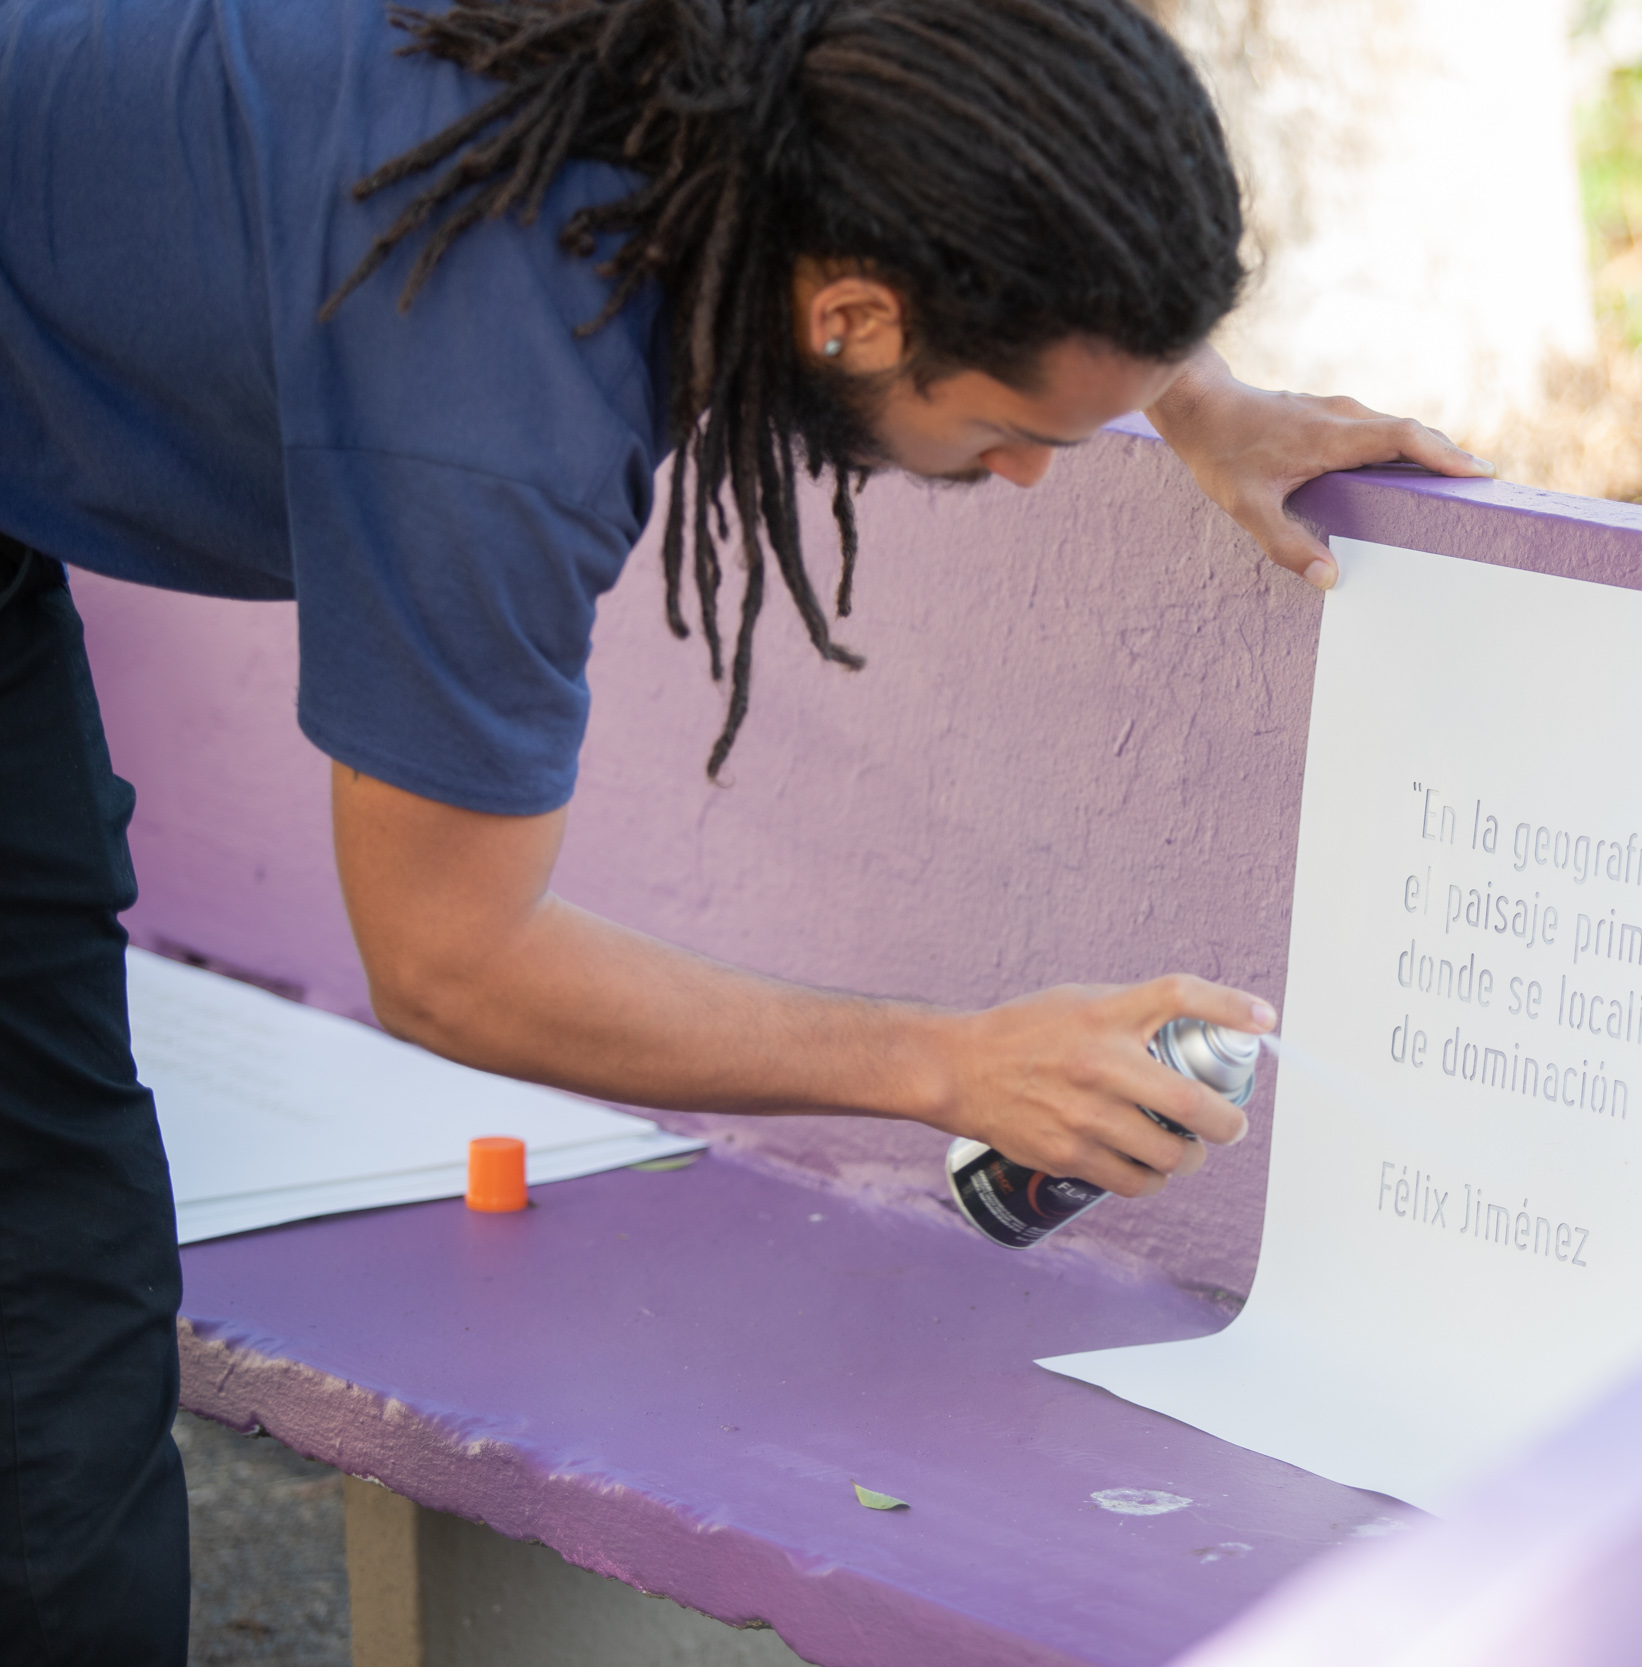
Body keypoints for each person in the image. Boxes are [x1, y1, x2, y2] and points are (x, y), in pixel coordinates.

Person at [0, 0, 1488, 1658]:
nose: (1027, 476)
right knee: (43, 1311)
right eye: (1014, 430)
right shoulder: (496, 409)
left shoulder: (789, 78)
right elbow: (448, 963)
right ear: (853, 314)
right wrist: (952, 1063)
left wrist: (1196, 394)